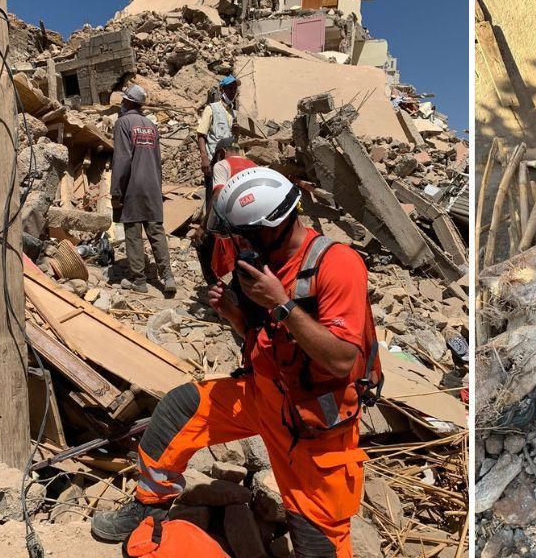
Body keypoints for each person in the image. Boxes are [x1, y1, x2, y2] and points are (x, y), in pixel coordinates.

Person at [92, 167, 383, 558]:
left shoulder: (338, 264)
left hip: (312, 424)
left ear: (271, 227)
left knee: (319, 543)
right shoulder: (263, 264)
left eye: (244, 234)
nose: (238, 243)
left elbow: (341, 359)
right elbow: (269, 340)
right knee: (180, 410)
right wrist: (235, 315)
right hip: (263, 395)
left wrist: (279, 302)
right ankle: (149, 505)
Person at [111, 85, 177, 296]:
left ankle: (139, 280)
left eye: (123, 101)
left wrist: (116, 191)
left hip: (132, 185)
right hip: (152, 185)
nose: (122, 104)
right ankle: (167, 277)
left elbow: (122, 158)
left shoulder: (123, 123)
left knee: (133, 233)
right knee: (156, 231)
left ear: (128, 102)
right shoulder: (151, 125)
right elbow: (158, 160)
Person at [195, 136, 256, 285]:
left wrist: (203, 226)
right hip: (253, 222)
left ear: (221, 153)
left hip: (233, 222)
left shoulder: (222, 165)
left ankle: (214, 286)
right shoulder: (253, 164)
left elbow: (217, 196)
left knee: (201, 243)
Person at [197, 75, 238, 181]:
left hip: (229, 162)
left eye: (234, 88)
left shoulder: (234, 113)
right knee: (212, 195)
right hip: (214, 162)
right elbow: (201, 135)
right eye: (230, 88)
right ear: (222, 89)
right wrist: (204, 158)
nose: (233, 91)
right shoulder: (211, 108)